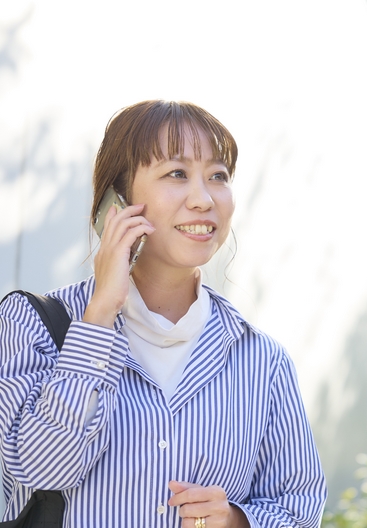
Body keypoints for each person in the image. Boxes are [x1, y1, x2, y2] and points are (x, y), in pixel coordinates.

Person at [0, 100, 327, 527]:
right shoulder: (31, 325)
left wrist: (236, 520)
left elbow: (300, 507)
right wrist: (99, 317)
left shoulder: (262, 360)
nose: (203, 198)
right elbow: (43, 469)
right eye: (177, 173)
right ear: (116, 201)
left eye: (218, 176)